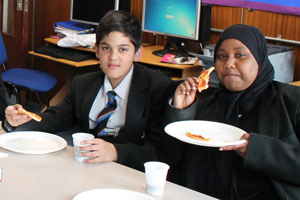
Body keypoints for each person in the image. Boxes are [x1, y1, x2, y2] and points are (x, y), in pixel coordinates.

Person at [3, 10, 178, 171]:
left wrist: (116, 151)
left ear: (137, 53)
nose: (113, 57)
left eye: (123, 49)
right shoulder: (83, 83)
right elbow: (55, 118)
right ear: (96, 50)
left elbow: (158, 153)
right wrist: (16, 122)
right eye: (106, 48)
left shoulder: (159, 89)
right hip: (88, 168)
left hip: (130, 173)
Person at [159, 24, 300, 200]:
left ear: (259, 58)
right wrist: (181, 112)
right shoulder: (206, 106)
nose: (229, 64)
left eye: (240, 55)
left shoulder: (292, 102)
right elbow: (167, 160)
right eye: (221, 56)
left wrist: (255, 150)